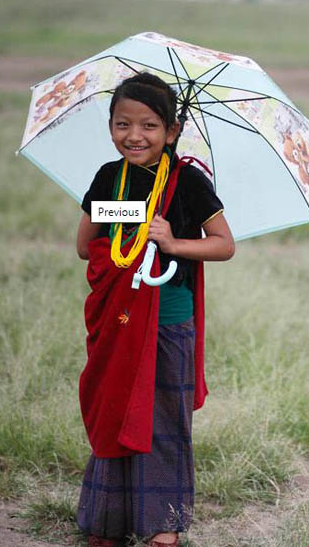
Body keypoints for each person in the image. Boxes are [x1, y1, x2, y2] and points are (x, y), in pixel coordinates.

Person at [75, 72, 235, 547]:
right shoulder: (109, 177)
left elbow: (224, 245)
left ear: (172, 131)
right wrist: (131, 218)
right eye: (122, 124)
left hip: (168, 322)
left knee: (163, 419)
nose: (134, 136)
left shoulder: (187, 180)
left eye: (148, 125)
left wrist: (171, 240)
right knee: (115, 411)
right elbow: (86, 246)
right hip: (120, 319)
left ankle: (162, 525)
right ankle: (107, 520)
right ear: (110, 127)